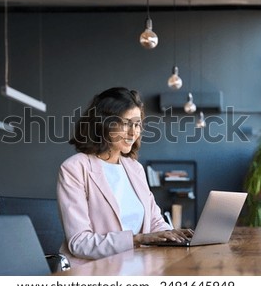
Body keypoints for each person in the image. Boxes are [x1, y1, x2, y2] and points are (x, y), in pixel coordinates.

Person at [57, 87, 193, 266]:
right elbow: (80, 243)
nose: (133, 132)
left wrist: (174, 236)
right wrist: (138, 239)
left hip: (140, 266)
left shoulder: (134, 168)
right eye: (126, 123)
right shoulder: (74, 168)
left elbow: (155, 222)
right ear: (103, 123)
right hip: (96, 272)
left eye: (137, 124)